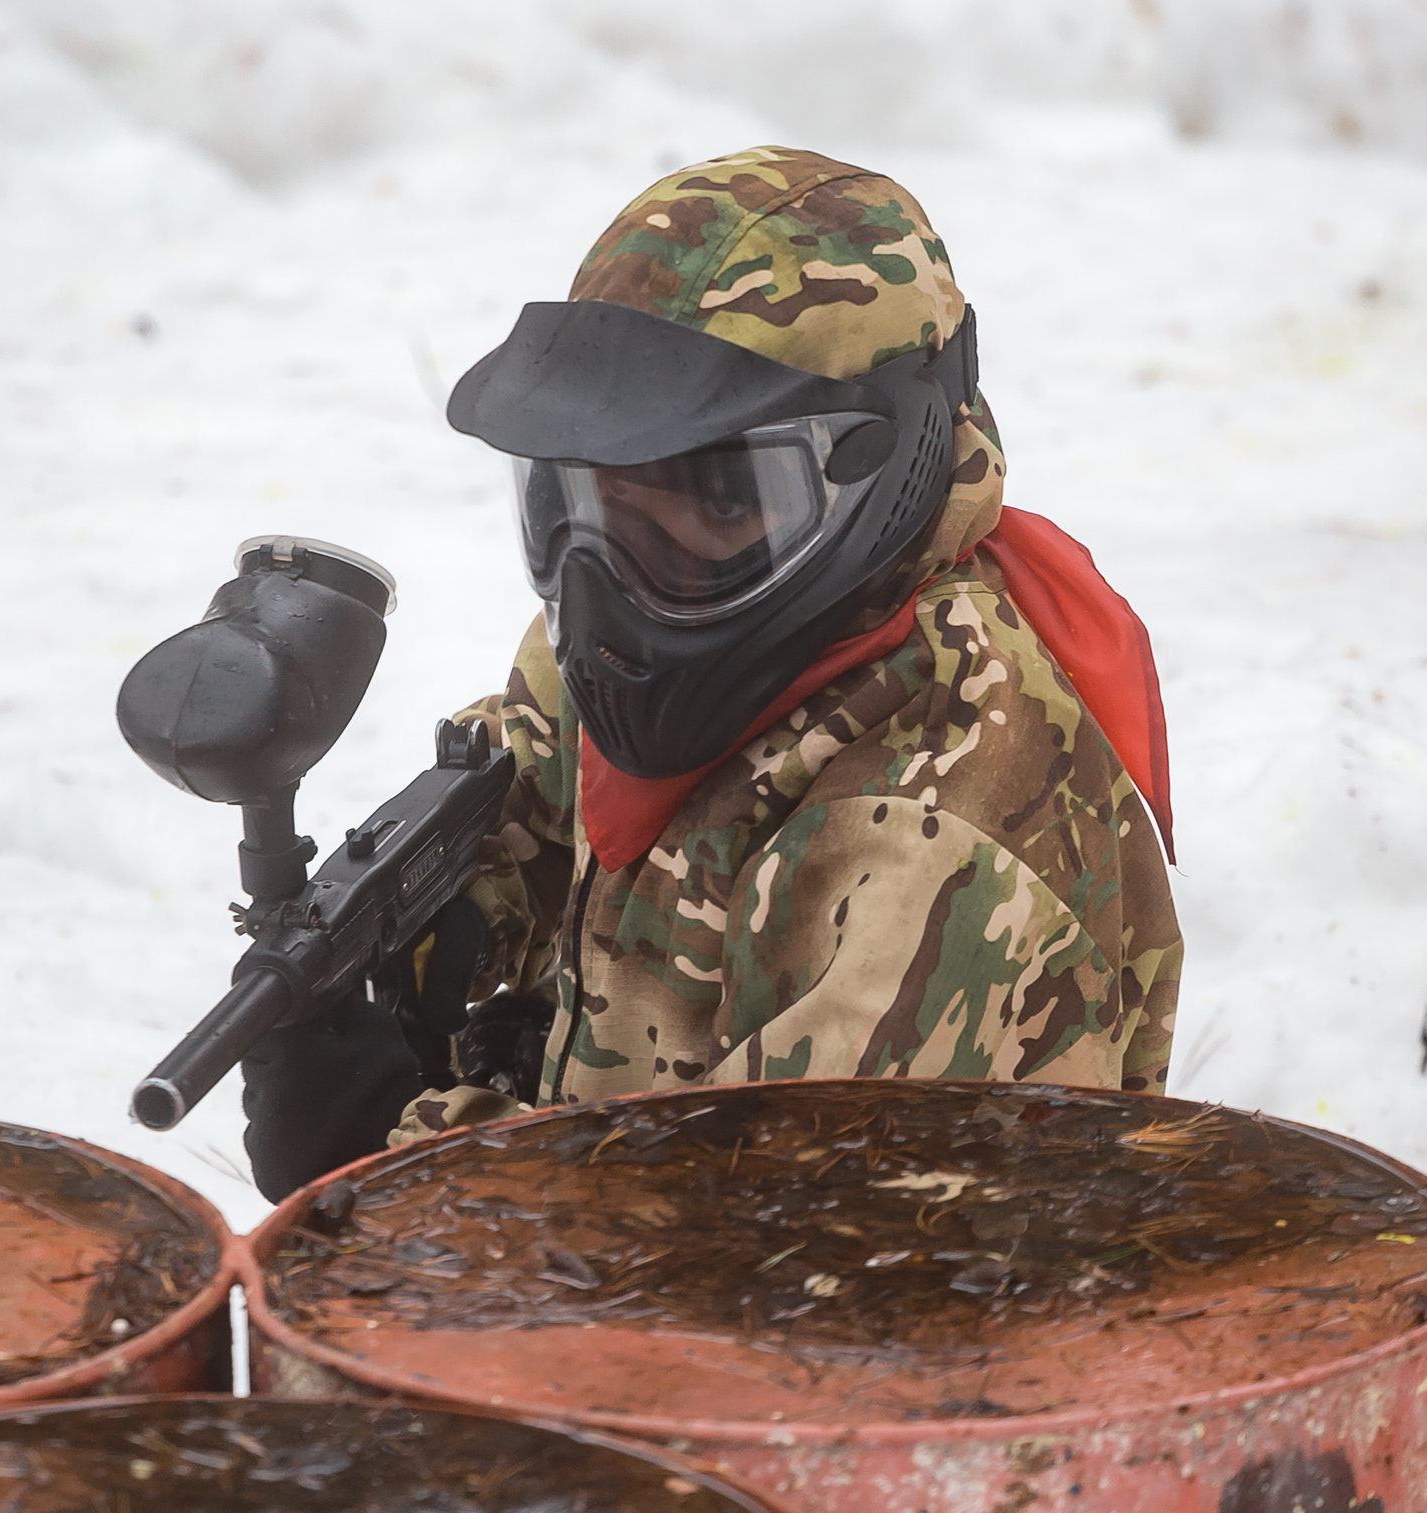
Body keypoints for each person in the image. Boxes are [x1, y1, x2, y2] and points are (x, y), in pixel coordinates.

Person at [241, 146, 1182, 1202]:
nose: (611, 583)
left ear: (889, 468)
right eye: (590, 500)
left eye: (724, 501)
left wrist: (393, 1157)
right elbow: (537, 773)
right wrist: (423, 918)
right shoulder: (676, 619)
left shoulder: (937, 837)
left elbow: (751, 1260)